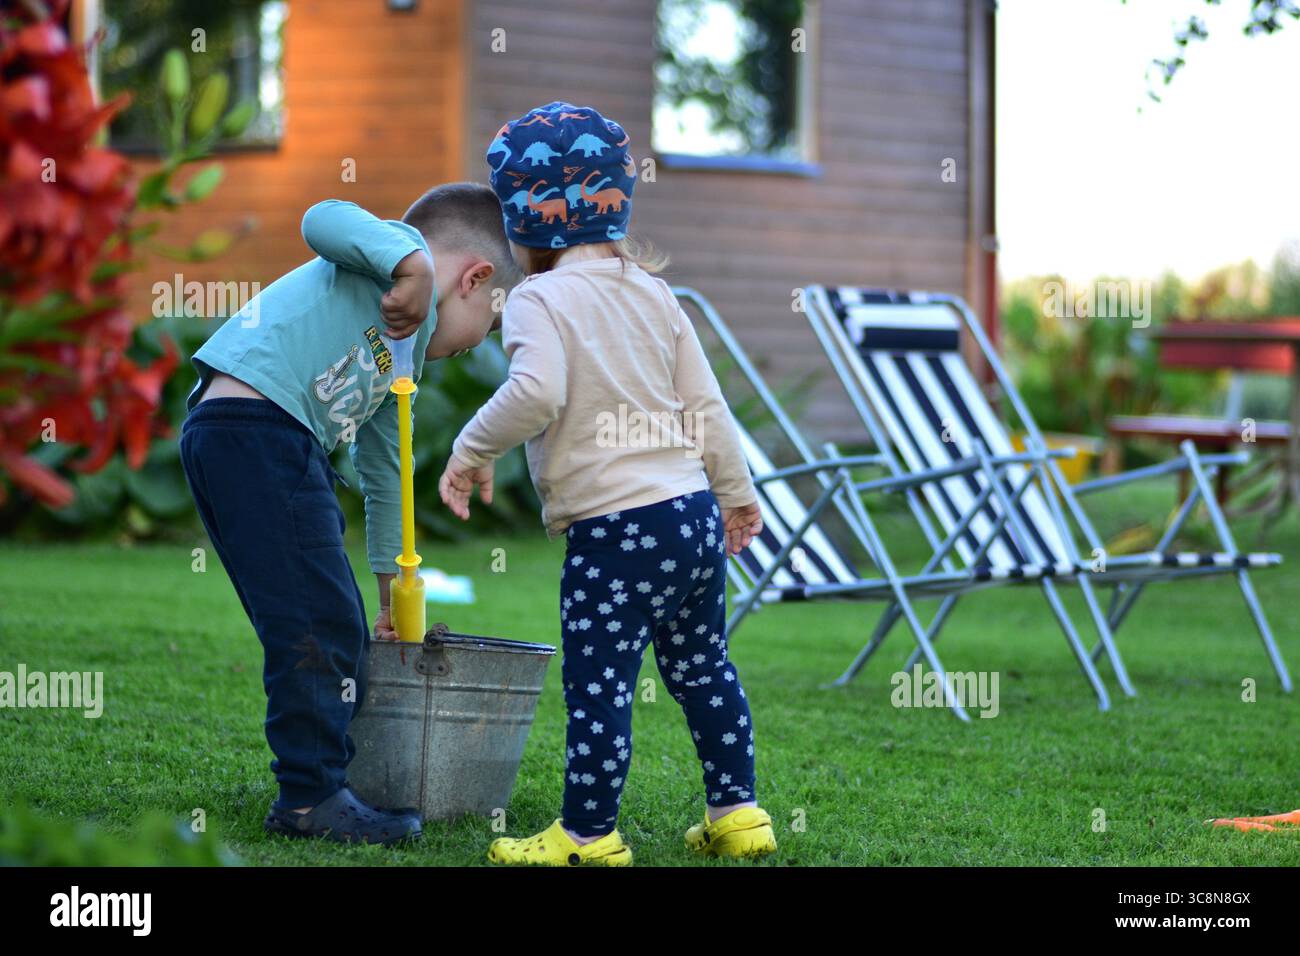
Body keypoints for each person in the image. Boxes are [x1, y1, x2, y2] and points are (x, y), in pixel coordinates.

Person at [440, 102, 775, 865]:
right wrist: (737, 495)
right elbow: (707, 408)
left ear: (528, 222)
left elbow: (535, 393)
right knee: (703, 667)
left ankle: (587, 836)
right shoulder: (657, 296)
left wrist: (468, 446)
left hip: (617, 531)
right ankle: (739, 815)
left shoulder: (536, 298)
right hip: (690, 516)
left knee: (600, 684)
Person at [179, 185, 517, 845]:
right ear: (476, 279)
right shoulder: (392, 261)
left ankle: (321, 784)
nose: (480, 344)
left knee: (318, 618)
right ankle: (310, 799)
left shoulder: (405, 356)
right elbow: (319, 215)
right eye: (493, 323)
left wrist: (392, 594)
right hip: (257, 429)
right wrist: (412, 268)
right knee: (320, 623)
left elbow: (386, 473)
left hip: (251, 437)